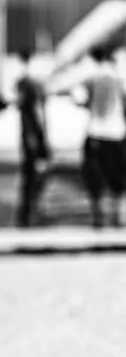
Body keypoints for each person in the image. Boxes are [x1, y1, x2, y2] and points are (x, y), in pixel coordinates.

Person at [74, 48, 126, 227]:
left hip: (96, 132)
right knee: (118, 176)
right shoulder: (120, 80)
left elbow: (79, 99)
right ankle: (118, 215)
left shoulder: (91, 79)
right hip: (117, 133)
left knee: (95, 176)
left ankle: (99, 216)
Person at [16, 49, 52, 227]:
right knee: (38, 175)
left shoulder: (22, 83)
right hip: (34, 139)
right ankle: (33, 214)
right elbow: (38, 112)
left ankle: (27, 214)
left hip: (27, 137)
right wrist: (42, 139)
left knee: (30, 176)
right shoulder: (33, 84)